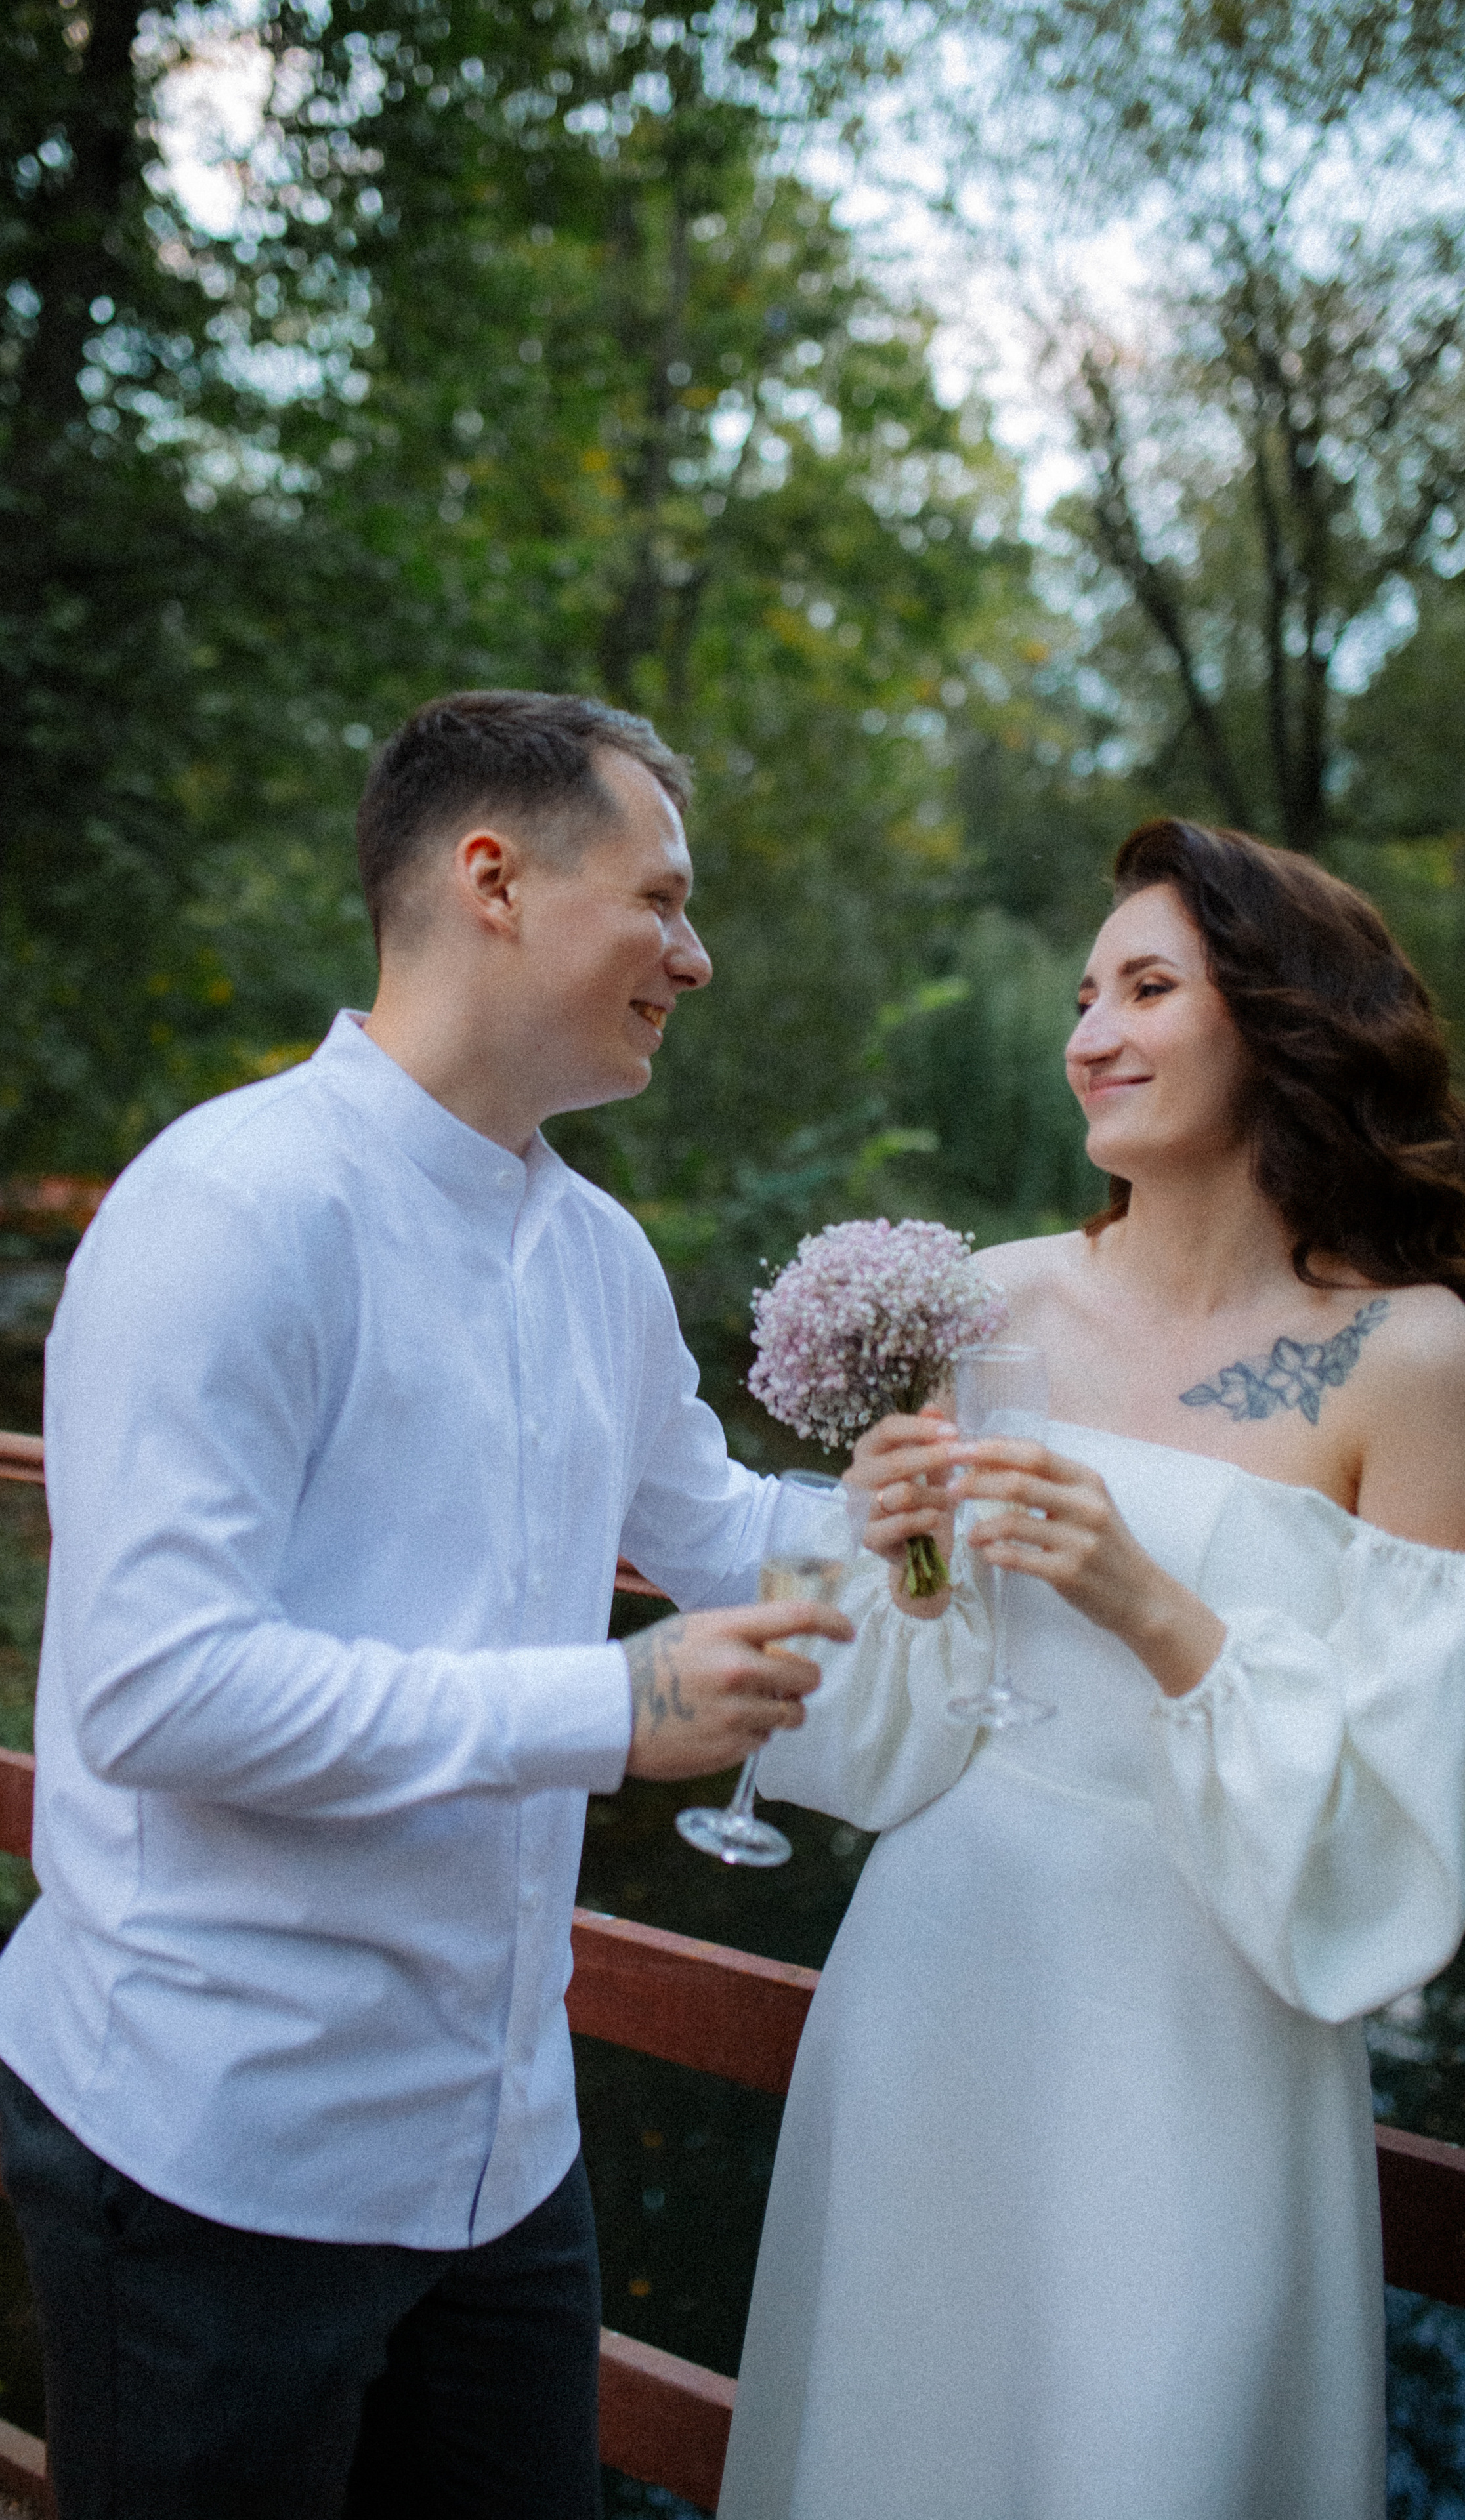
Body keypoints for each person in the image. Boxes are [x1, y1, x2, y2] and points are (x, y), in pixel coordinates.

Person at [0, 688, 851, 2520]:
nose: (699, 955)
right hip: (217, 2141)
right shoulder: (231, 1205)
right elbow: (158, 1692)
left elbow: (722, 1525)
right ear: (494, 878)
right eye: (666, 900)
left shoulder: (600, 1254)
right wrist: (611, 1711)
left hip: (503, 2146)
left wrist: (965, 1521)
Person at [718, 817, 1465, 2520]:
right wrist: (896, 1546)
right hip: (939, 1973)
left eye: (1148, 986)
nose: (1087, 1035)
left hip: (1210, 2030)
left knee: (1151, 2443)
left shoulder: (1417, 1360)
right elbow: (896, 1710)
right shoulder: (984, 1304)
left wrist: (1154, 1605)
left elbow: (1409, 1832)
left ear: (1281, 1021)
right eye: (1082, 994)